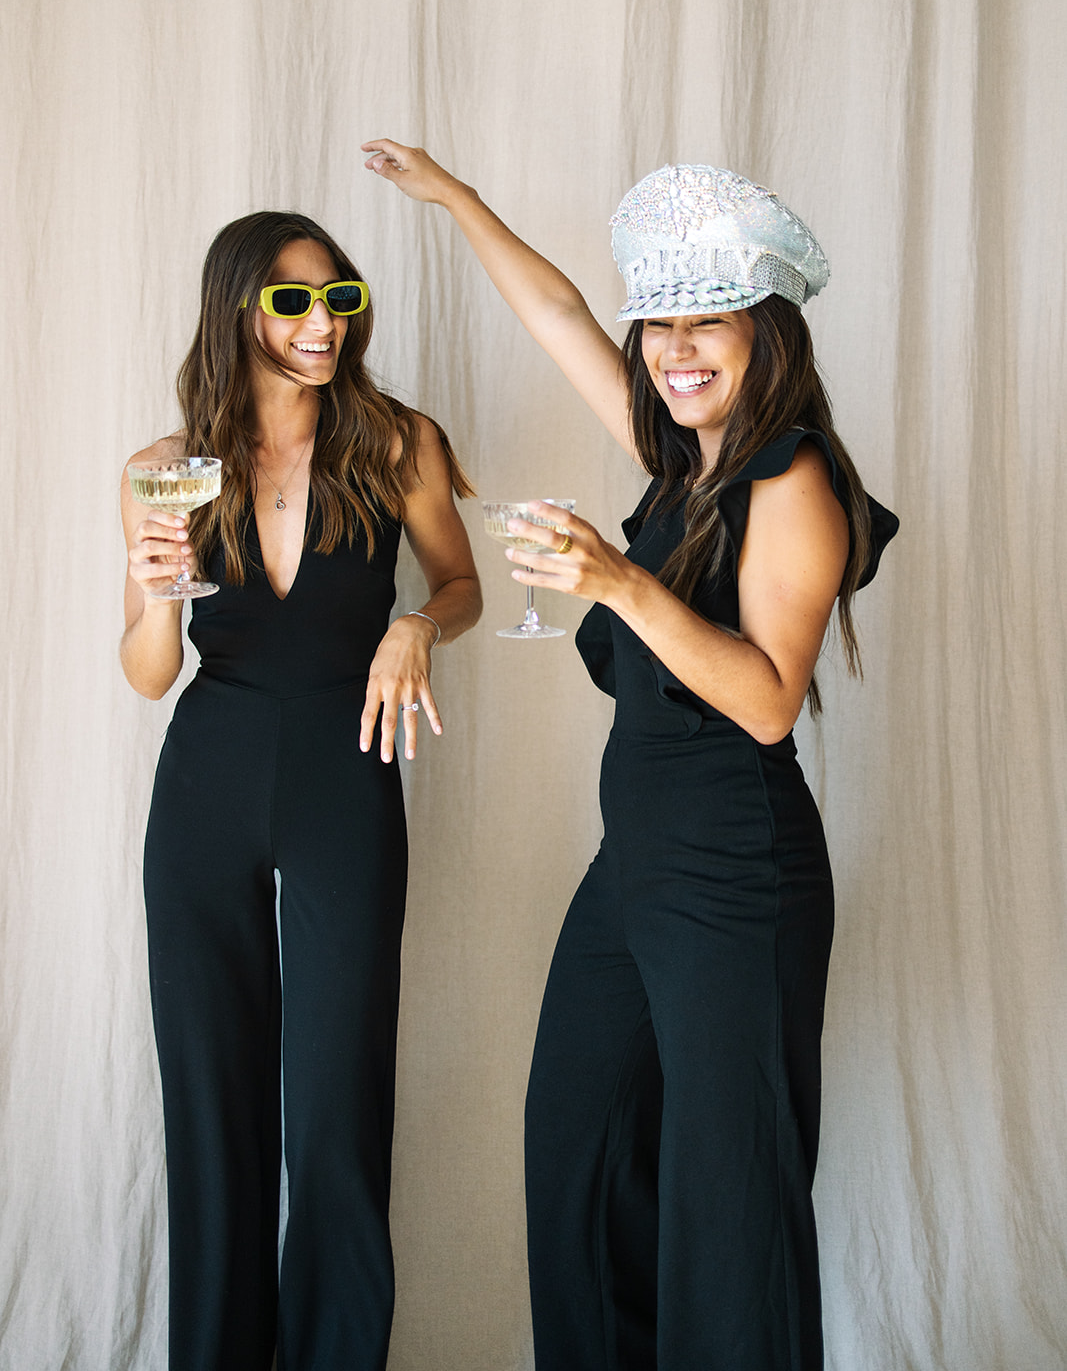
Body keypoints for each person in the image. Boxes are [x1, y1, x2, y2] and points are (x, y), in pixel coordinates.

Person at [363, 141, 898, 1371]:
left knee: (727, 1199)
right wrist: (459, 202)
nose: (673, 348)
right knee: (578, 1144)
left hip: (733, 870)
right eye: (656, 323)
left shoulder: (795, 478)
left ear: (764, 330)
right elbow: (558, 311)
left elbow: (767, 702)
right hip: (635, 868)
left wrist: (616, 581)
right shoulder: (679, 467)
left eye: (705, 319)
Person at [120, 209, 481, 1371]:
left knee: (335, 1100)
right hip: (206, 782)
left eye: (340, 297)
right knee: (213, 1104)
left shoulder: (397, 443)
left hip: (347, 769)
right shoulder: (161, 470)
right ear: (240, 311)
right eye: (292, 302)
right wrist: (154, 592)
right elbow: (147, 672)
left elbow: (462, 579)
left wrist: (418, 622)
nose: (324, 322)